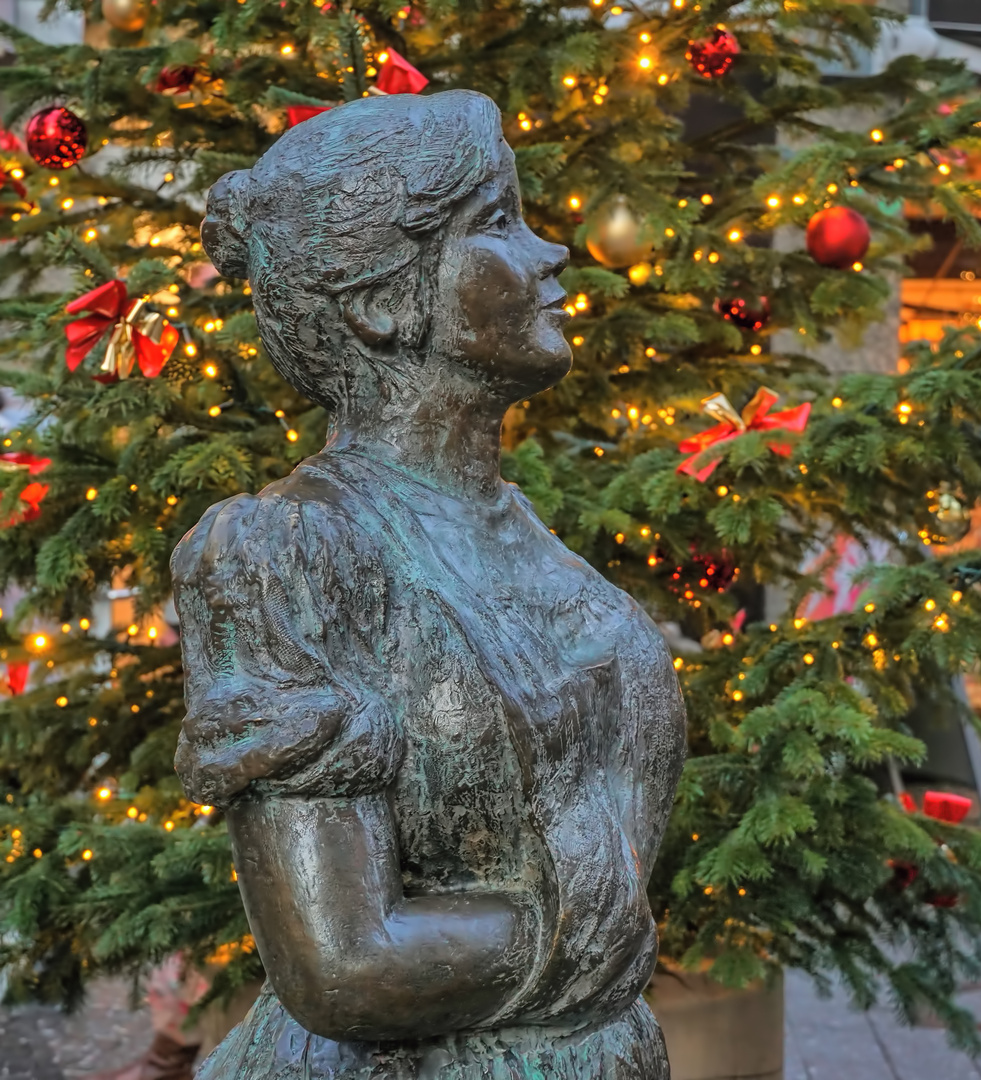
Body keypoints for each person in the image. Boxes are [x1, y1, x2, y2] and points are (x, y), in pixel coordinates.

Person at [173, 89, 686, 1079]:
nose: (552, 254)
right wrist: (600, 930)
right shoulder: (286, 556)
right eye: (497, 222)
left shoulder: (521, 527)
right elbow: (345, 969)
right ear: (376, 298)